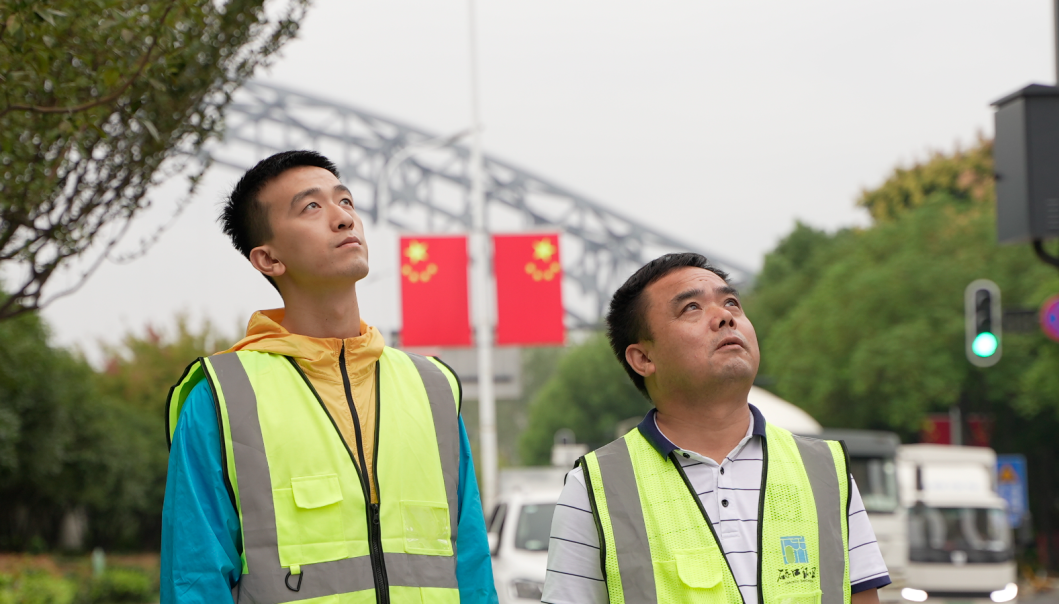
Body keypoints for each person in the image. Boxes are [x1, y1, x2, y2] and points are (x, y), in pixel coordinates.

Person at [160, 150, 496, 603]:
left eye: (346, 201)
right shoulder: (220, 398)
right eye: (312, 207)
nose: (343, 218)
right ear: (268, 258)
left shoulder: (432, 388)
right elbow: (194, 580)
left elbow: (472, 569)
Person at [542, 253, 890, 604]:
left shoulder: (826, 470)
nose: (725, 316)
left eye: (731, 303)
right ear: (643, 358)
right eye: (691, 308)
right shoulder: (596, 488)